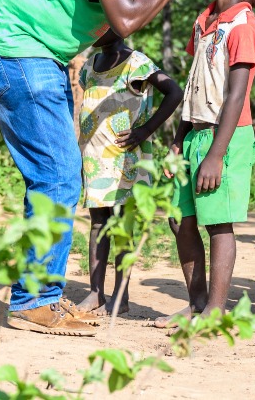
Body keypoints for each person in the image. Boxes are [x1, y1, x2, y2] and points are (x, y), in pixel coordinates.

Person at [0, 0, 242, 336]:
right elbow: (128, 19)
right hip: (16, 48)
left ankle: (41, 294)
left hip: (32, 50)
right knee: (55, 174)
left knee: (53, 173)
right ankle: (34, 300)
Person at [158, 0, 255, 326]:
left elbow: (236, 94)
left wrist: (215, 154)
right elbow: (196, 83)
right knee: (180, 219)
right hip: (196, 133)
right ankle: (196, 303)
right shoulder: (206, 19)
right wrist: (179, 138)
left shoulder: (242, 26)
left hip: (224, 140)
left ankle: (215, 308)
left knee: (218, 223)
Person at [76, 32, 182, 318]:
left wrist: (146, 130)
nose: (94, 29)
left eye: (102, 23)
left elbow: (175, 93)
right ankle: (95, 292)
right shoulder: (89, 66)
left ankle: (120, 297)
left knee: (122, 224)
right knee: (98, 222)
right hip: (94, 159)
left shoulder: (136, 63)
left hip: (126, 158)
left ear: (121, 26)